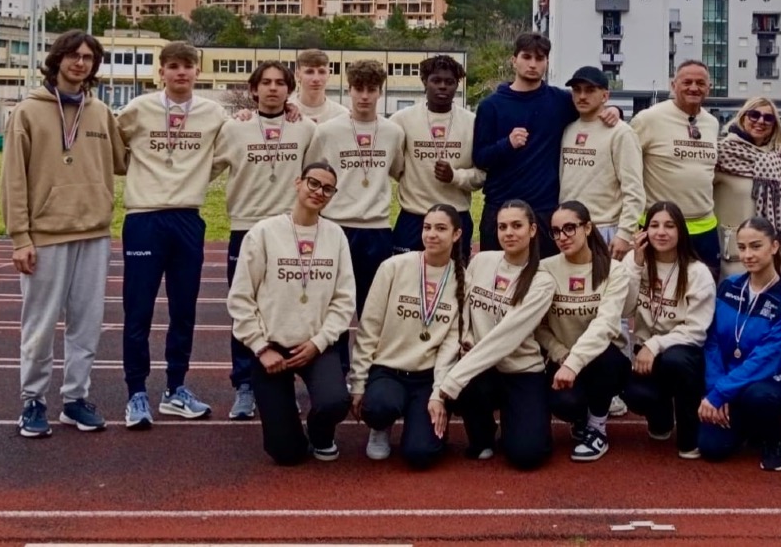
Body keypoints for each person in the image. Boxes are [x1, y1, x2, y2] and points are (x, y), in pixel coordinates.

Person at [0, 30, 127, 438]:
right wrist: (20, 236)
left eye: (89, 57)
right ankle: (33, 401)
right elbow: (13, 179)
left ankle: (75, 399)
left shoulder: (101, 112)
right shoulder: (28, 112)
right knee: (39, 325)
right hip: (46, 235)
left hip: (94, 233)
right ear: (57, 61)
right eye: (73, 56)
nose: (81, 63)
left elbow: (125, 159)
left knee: (87, 324)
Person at [117, 41, 231, 429]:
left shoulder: (214, 113)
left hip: (187, 219)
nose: (181, 72)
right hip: (145, 218)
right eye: (174, 66)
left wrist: (198, 176)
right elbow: (115, 149)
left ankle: (175, 389)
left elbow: (233, 147)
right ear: (161, 71)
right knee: (139, 310)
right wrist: (139, 171)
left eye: (188, 66)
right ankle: (136, 393)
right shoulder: (138, 109)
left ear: (198, 71)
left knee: (184, 310)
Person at [226, 161, 356, 465]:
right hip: (271, 348)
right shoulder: (263, 233)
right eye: (313, 183)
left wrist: (320, 342)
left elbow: (344, 300)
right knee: (286, 454)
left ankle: (321, 433)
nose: (319, 192)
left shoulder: (335, 236)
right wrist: (260, 347)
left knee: (335, 401)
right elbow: (241, 297)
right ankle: (291, 436)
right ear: (298, 183)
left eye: (327, 188)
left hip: (316, 344)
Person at [212, 61, 315, 420]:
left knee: (292, 305)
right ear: (253, 90)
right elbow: (206, 168)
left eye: (280, 83)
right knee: (245, 306)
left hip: (289, 229)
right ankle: (244, 384)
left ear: (290, 90)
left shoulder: (305, 128)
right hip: (245, 228)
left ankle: (299, 380)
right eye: (266, 83)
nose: (273, 88)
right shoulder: (234, 128)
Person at [473, 33, 618, 259]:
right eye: (527, 57)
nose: (533, 64)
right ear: (514, 60)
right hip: (501, 209)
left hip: (544, 211)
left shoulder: (560, 101)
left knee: (545, 282)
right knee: (497, 283)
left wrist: (614, 110)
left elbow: (592, 104)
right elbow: (480, 158)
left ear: (547, 62)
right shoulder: (491, 106)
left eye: (540, 58)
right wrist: (506, 144)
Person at [437, 201, 558, 470]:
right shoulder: (482, 261)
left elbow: (505, 337)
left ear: (533, 230)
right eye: (503, 227)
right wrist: (466, 339)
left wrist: (453, 379)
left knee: (527, 457)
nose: (509, 233)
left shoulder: (542, 281)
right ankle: (483, 434)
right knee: (468, 384)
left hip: (521, 371)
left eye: (517, 226)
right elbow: (463, 309)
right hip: (482, 370)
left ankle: (525, 421)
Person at [350, 204, 464, 468]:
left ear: (457, 235)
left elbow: (450, 346)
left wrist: (439, 394)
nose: (432, 234)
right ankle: (381, 427)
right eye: (427, 227)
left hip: (427, 377)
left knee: (420, 455)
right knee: (378, 407)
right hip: (388, 370)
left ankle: (427, 428)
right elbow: (370, 327)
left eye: (441, 228)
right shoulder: (393, 267)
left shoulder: (462, 281)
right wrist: (358, 383)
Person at [698, 217, 781, 471]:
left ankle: (773, 438)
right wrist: (716, 387)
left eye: (756, 246)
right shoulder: (728, 287)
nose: (748, 255)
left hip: (771, 381)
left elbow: (768, 358)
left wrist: (721, 392)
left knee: (758, 396)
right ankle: (746, 425)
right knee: (711, 449)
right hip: (729, 381)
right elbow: (712, 341)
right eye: (742, 247)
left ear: (775, 246)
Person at [306, 59, 405, 320]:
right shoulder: (326, 131)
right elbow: (312, 174)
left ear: (380, 92)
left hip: (377, 230)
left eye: (371, 89)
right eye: (358, 88)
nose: (364, 96)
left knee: (373, 309)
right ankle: (333, 361)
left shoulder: (393, 132)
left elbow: (397, 170)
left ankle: (366, 362)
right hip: (336, 226)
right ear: (348, 89)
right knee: (330, 305)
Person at [537, 201, 633, 462]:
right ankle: (580, 417)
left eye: (570, 228)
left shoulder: (613, 270)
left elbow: (606, 324)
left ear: (588, 227)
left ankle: (597, 428)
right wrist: (560, 354)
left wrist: (575, 362)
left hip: (603, 361)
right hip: (563, 358)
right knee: (565, 403)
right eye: (556, 231)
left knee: (605, 357)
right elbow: (540, 327)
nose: (563, 237)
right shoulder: (545, 268)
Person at [621, 201, 716, 459]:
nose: (661, 232)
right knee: (635, 394)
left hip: (683, 353)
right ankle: (660, 418)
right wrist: (635, 266)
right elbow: (624, 311)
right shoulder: (634, 261)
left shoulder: (697, 272)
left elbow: (696, 331)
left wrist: (655, 345)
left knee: (675, 362)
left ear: (681, 231)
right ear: (644, 231)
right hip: (645, 351)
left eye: (669, 226)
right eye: (654, 225)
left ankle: (689, 434)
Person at [631, 60, 722, 278]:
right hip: (660, 229)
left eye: (700, 83)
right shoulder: (648, 119)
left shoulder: (711, 123)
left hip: (704, 229)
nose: (694, 88)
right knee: (658, 295)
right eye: (687, 82)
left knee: (705, 294)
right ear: (674, 85)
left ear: (709, 87)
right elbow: (625, 170)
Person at [390, 55, 483, 263]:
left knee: (455, 284)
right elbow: (394, 166)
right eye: (436, 80)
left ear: (457, 85)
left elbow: (482, 175)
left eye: (449, 82)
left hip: (456, 216)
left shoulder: (472, 123)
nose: (443, 87)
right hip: (414, 217)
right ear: (425, 81)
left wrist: (455, 177)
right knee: (406, 282)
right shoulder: (402, 120)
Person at [558, 67, 646, 261]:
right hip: (570, 228)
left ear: (605, 96)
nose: (582, 96)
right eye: (577, 90)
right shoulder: (569, 130)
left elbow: (634, 190)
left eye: (590, 90)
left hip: (605, 228)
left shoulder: (621, 133)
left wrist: (624, 233)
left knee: (606, 289)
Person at [715, 97, 781, 278]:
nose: (760, 121)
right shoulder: (722, 153)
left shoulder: (779, 157)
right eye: (754, 115)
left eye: (768, 118)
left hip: (773, 253)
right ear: (742, 117)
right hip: (734, 254)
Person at [288, 48, 348, 124]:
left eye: (322, 72)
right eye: (309, 72)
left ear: (328, 74)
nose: (316, 79)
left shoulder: (341, 115)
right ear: (297, 75)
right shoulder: (285, 111)